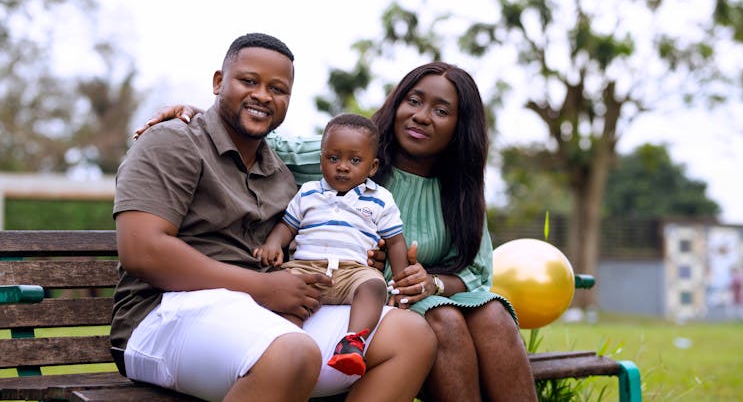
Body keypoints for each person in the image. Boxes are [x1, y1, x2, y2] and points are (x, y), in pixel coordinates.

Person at [139, 61, 538, 401]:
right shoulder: (353, 156)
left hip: (423, 297)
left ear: (459, 125)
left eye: (440, 110)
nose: (420, 115)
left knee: (493, 315)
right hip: (357, 297)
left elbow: (477, 274)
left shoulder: (461, 191)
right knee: (446, 323)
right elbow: (264, 137)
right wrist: (201, 113)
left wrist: (431, 283)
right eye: (413, 101)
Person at [111, 32, 436, 402]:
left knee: (412, 335)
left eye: (278, 89)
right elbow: (142, 251)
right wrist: (264, 288)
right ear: (219, 82)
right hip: (162, 317)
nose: (263, 96)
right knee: (292, 352)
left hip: (261, 314)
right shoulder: (173, 142)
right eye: (249, 81)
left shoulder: (280, 174)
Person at [254, 112, 408, 377]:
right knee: (285, 289)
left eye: (355, 160)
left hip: (352, 272)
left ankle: (352, 342)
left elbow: (395, 242)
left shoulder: (380, 199)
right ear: (321, 158)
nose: (343, 166)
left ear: (372, 167)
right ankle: (282, 347)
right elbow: (287, 226)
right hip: (306, 268)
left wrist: (401, 282)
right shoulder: (309, 192)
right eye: (333, 158)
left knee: (373, 286)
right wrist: (273, 243)